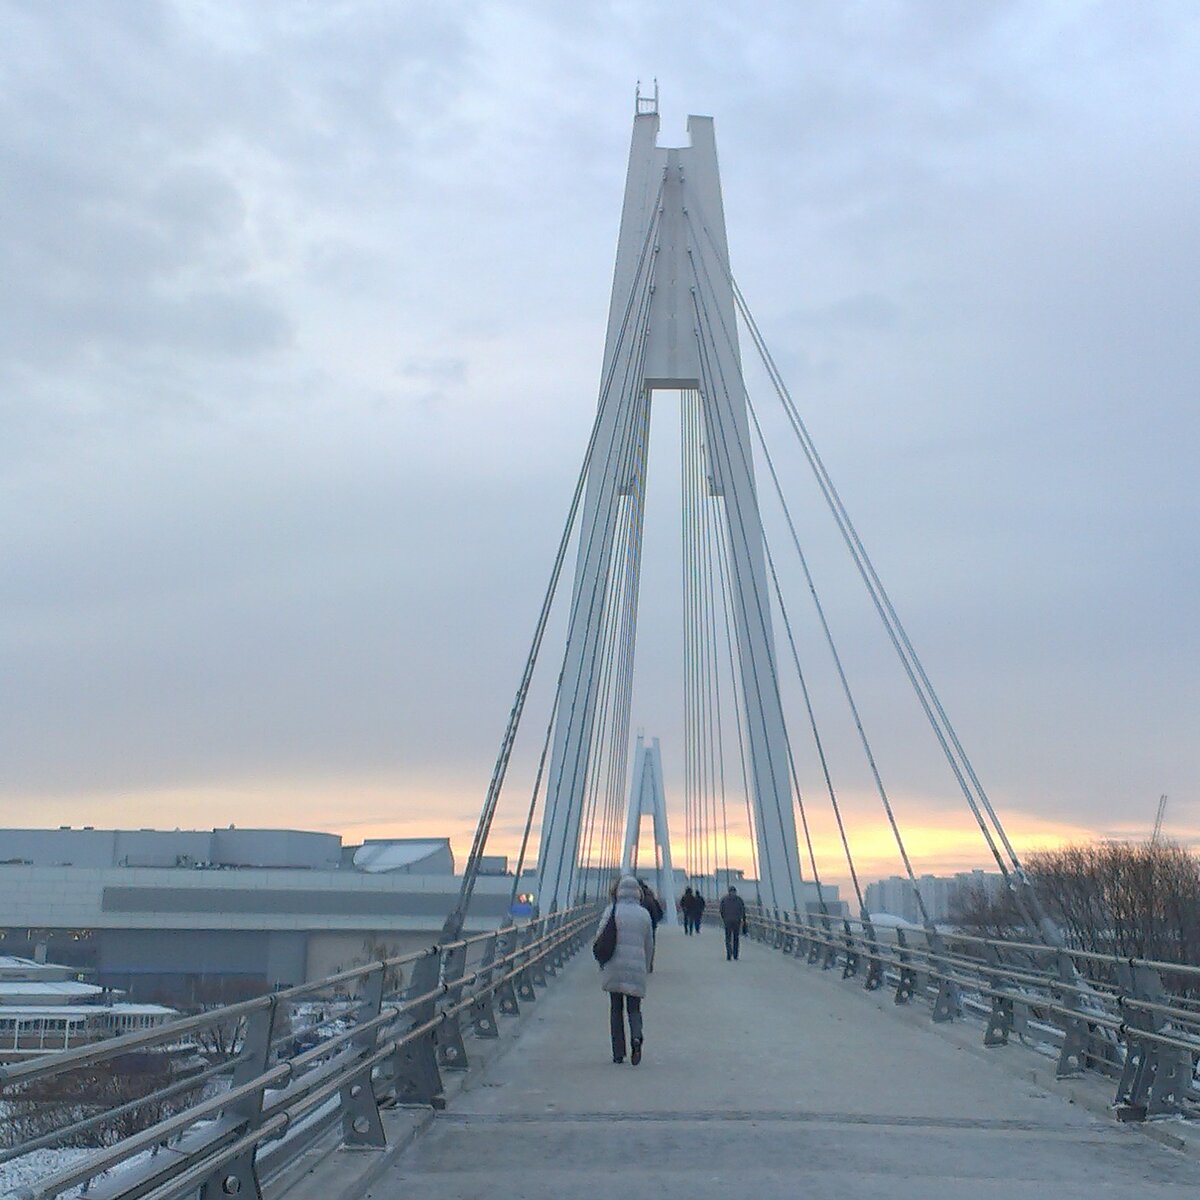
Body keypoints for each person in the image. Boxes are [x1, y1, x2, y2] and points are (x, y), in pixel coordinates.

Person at [595, 874, 654, 1064]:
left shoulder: (612, 910)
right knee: (634, 1008)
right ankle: (636, 1037)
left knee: (616, 1009)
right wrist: (645, 967)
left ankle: (618, 1052)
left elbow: (600, 937)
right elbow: (649, 944)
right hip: (636, 968)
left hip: (614, 967)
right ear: (637, 893)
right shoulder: (644, 914)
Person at [719, 885, 747, 961]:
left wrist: (724, 918)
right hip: (737, 921)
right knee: (735, 938)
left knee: (728, 937)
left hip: (727, 921)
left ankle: (729, 953)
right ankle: (735, 954)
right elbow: (743, 911)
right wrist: (743, 920)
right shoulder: (739, 900)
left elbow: (721, 910)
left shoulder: (724, 899)